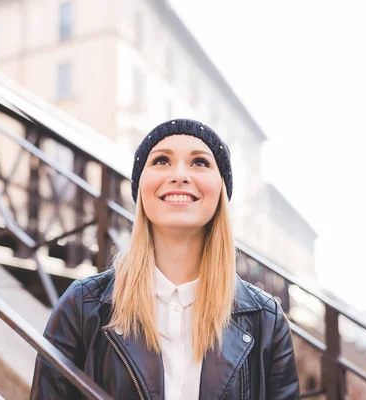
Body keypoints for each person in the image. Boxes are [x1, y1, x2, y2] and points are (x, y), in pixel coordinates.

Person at [30, 119, 300, 399]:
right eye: (161, 160)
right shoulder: (83, 305)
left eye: (200, 163)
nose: (180, 175)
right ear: (141, 187)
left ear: (221, 189)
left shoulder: (265, 319)